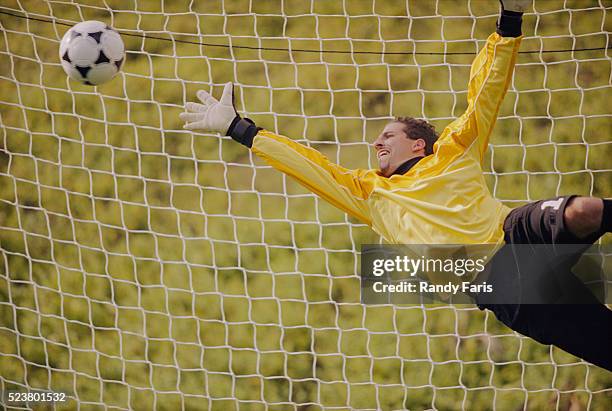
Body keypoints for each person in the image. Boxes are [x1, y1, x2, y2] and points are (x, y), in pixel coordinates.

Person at [180, 0, 611, 370]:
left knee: (583, 212)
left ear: (419, 144)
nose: (376, 142)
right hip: (497, 286)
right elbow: (310, 168)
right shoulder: (369, 194)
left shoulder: (454, 151)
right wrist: (241, 129)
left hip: (514, 233)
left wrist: (510, 20)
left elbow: (486, 92)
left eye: (387, 136)